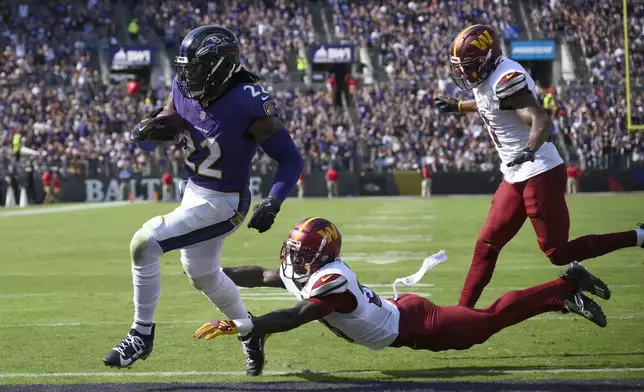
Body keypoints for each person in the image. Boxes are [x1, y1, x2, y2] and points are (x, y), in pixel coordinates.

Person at [102, 25, 304, 376]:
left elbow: (290, 158)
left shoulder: (246, 101)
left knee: (144, 243)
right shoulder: (184, 86)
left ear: (217, 67)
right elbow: (173, 121)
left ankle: (141, 334)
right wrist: (149, 128)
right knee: (204, 275)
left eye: (194, 68)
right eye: (185, 67)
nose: (186, 76)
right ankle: (249, 330)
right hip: (194, 192)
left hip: (225, 202)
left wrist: (274, 200)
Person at [435, 25, 644, 308]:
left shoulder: (506, 79)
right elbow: (490, 104)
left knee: (557, 252)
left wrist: (529, 149)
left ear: (486, 59)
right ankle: (461, 312)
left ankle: (639, 237)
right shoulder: (490, 80)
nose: (464, 73)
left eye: (469, 66)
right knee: (486, 244)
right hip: (514, 174)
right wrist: (459, 106)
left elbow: (540, 120)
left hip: (538, 170)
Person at [192, 217, 609, 357]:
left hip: (412, 322)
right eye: (293, 251)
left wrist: (248, 326)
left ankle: (563, 286)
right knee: (480, 326)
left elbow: (297, 315)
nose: (293, 260)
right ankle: (561, 293)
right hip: (397, 316)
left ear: (321, 255)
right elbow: (262, 275)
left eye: (302, 253)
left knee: (485, 324)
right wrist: (211, 272)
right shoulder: (310, 270)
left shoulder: (330, 281)